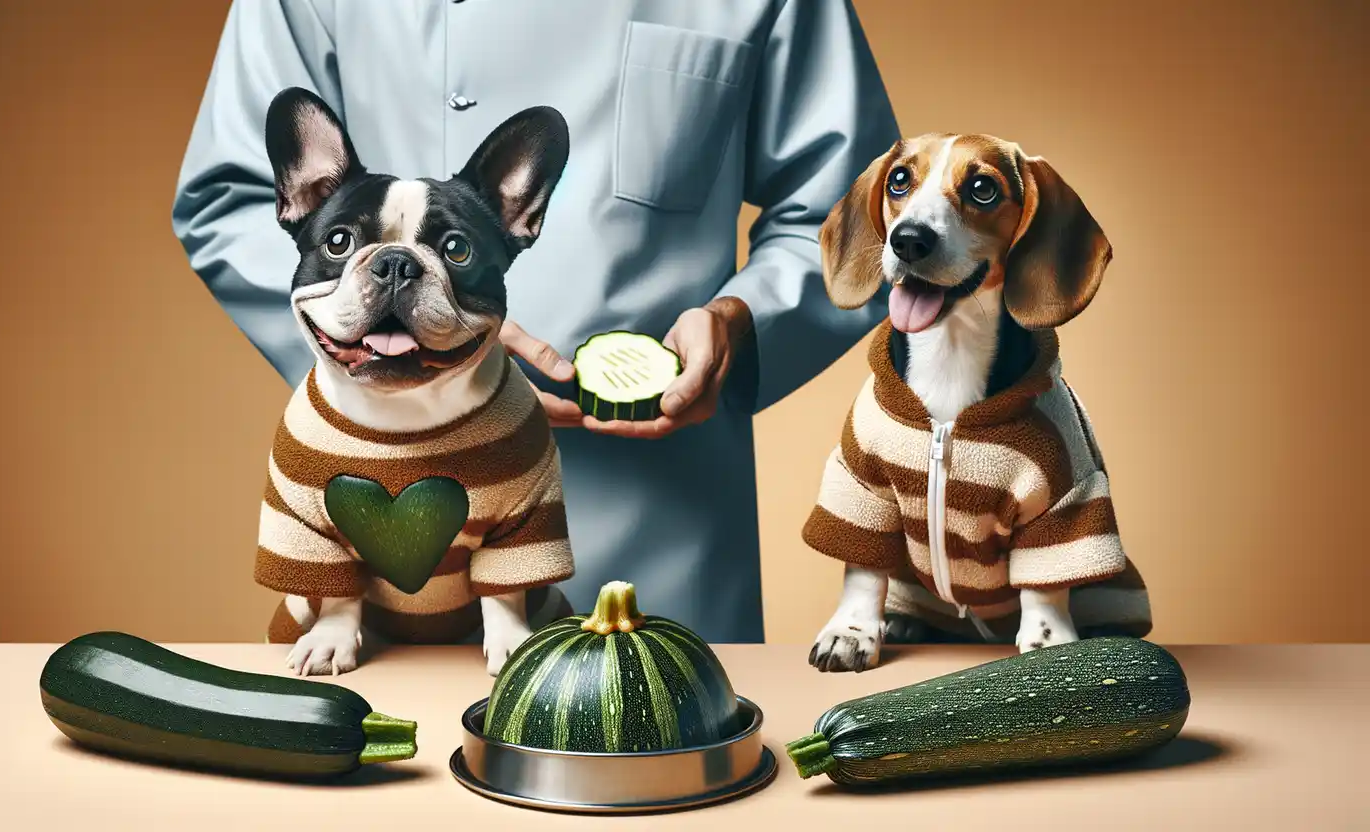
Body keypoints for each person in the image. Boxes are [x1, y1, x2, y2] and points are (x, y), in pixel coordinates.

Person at [172, 0, 899, 644]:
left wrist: (742, 326)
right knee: (385, 785)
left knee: (657, 761)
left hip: (661, 528)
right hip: (383, 550)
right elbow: (232, 197)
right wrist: (363, 348)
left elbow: (864, 218)